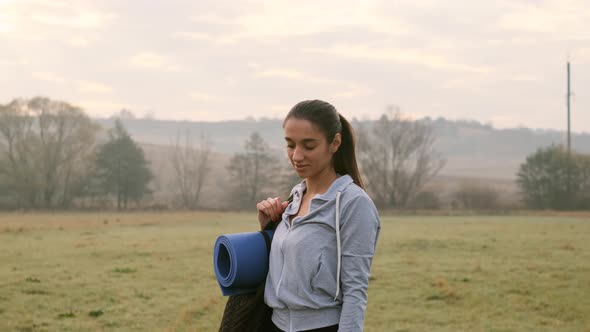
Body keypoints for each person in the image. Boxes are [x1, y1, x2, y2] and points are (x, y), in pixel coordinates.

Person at [256, 100, 381, 332]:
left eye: (309, 146)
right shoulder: (294, 197)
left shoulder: (354, 204)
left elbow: (355, 291)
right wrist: (268, 229)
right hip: (274, 325)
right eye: (290, 145)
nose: (297, 155)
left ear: (334, 143)